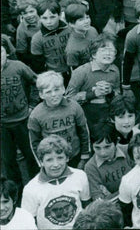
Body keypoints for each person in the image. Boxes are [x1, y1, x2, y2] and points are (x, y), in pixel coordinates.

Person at [21, 135, 91, 229]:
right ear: (41, 162)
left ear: (67, 158)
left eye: (60, 158)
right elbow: (28, 222)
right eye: (49, 160)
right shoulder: (31, 188)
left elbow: (87, 205)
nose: (56, 164)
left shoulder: (80, 176)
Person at [0, 39, 39, 186]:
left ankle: (37, 186)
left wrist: (33, 104)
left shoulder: (18, 67)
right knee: (8, 161)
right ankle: (16, 193)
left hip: (23, 120)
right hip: (2, 126)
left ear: (7, 52)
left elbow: (37, 82)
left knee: (31, 156)